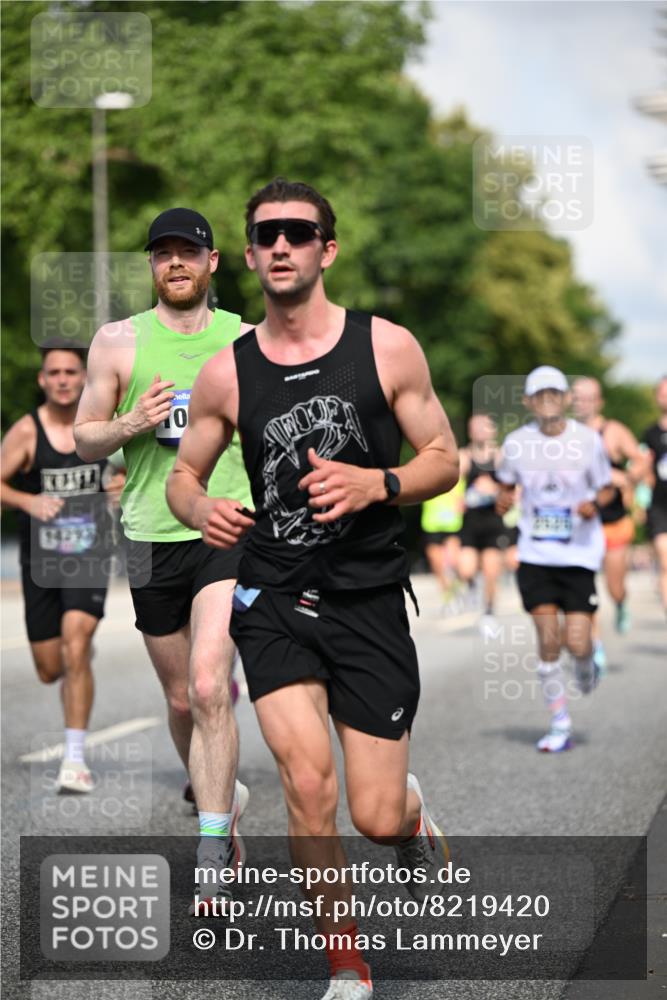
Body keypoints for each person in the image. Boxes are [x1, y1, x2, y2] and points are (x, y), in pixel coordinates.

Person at [166, 177, 460, 999]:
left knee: (370, 813)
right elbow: (184, 478)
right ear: (251, 255)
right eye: (267, 235)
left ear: (326, 249)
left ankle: (406, 817)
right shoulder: (228, 371)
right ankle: (345, 965)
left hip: (366, 596)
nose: (283, 245)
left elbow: (443, 456)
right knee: (304, 783)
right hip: (274, 595)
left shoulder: (386, 346)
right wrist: (204, 508)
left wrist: (380, 485)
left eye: (299, 232)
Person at [73, 208, 251, 906]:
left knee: (210, 685)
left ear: (212, 263)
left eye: (188, 253)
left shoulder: (244, 339)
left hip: (225, 525)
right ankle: (223, 800)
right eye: (162, 254)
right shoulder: (117, 342)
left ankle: (210, 843)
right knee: (180, 697)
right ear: (152, 266)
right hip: (147, 534)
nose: (174, 264)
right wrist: (129, 423)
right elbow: (85, 440)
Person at [1, 345, 123, 792]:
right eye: (54, 372)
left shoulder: (101, 427)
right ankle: (76, 657)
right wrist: (27, 499)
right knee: (50, 668)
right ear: (42, 380)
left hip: (90, 557)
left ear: (83, 379)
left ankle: (74, 761)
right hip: (42, 563)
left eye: (72, 371)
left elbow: (131, 471)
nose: (63, 379)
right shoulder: (27, 432)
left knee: (75, 644)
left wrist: (120, 487)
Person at [497, 366, 614, 752]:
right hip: (535, 554)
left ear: (565, 398)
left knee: (577, 641)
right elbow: (505, 485)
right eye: (539, 393)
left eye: (554, 392)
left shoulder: (588, 441)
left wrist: (593, 504)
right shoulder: (515, 442)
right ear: (528, 401)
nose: (547, 399)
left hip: (578, 554)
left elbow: (608, 489)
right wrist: (503, 501)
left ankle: (585, 663)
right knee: (549, 641)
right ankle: (560, 723)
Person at [571, 377, 648, 641]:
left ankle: (620, 602)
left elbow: (641, 462)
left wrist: (625, 479)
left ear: (599, 402)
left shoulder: (613, 431)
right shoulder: (563, 432)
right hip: (579, 524)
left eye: (587, 397)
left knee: (614, 586)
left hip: (611, 522)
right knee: (582, 588)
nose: (580, 402)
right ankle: (594, 643)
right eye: (576, 396)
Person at [458, 414, 517, 630]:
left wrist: (493, 490)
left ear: (493, 430)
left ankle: (489, 612)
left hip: (494, 522)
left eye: (485, 427)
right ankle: (472, 588)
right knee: (465, 569)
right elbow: (450, 481)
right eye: (475, 427)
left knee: (491, 572)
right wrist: (459, 497)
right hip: (470, 523)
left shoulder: (501, 457)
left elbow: (513, 487)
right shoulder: (464, 456)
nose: (480, 431)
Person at [641, 376, 667, 619]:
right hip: (660, 505)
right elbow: (643, 470)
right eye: (662, 392)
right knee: (665, 559)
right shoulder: (650, 434)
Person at [420, 479, 465, 604]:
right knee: (436, 561)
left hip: (452, 523)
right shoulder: (427, 477)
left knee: (453, 559)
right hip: (431, 523)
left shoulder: (457, 476)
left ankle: (458, 583)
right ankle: (447, 593)